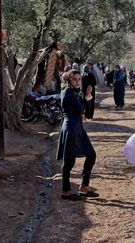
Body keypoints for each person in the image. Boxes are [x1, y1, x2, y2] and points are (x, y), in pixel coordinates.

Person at [57, 69, 99, 201]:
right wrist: (81, 108)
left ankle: (84, 187)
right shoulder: (68, 92)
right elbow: (82, 109)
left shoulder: (74, 93)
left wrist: (87, 96)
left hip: (77, 128)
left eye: (79, 79)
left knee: (91, 155)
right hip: (71, 128)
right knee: (69, 161)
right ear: (69, 80)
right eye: (74, 79)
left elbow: (85, 110)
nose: (77, 82)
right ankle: (66, 190)